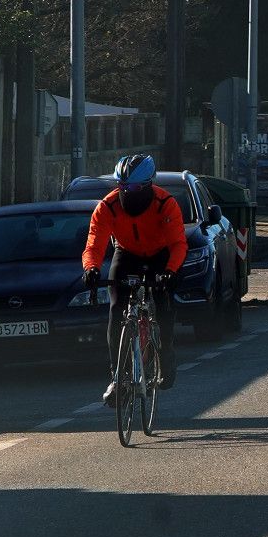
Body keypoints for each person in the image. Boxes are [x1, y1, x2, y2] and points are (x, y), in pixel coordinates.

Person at [81, 155, 187, 407]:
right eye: (122, 186)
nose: (127, 191)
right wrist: (91, 269)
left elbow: (178, 244)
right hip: (127, 253)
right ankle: (117, 379)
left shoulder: (165, 203)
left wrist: (170, 271)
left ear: (149, 184)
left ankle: (166, 352)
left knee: (162, 303)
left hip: (160, 255)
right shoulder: (107, 206)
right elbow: (94, 244)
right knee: (116, 308)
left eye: (134, 187)